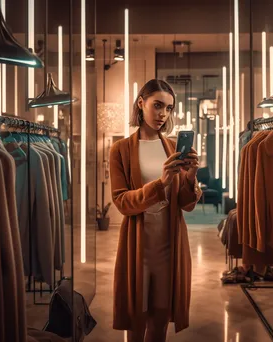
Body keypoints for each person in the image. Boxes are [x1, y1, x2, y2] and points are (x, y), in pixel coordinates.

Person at [109, 79, 202, 342]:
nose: (163, 114)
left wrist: (190, 176)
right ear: (141, 103)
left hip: (169, 243)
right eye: (157, 105)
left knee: (161, 319)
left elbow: (186, 203)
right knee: (136, 320)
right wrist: (160, 183)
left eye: (169, 108)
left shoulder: (172, 147)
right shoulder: (121, 150)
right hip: (138, 243)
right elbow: (122, 202)